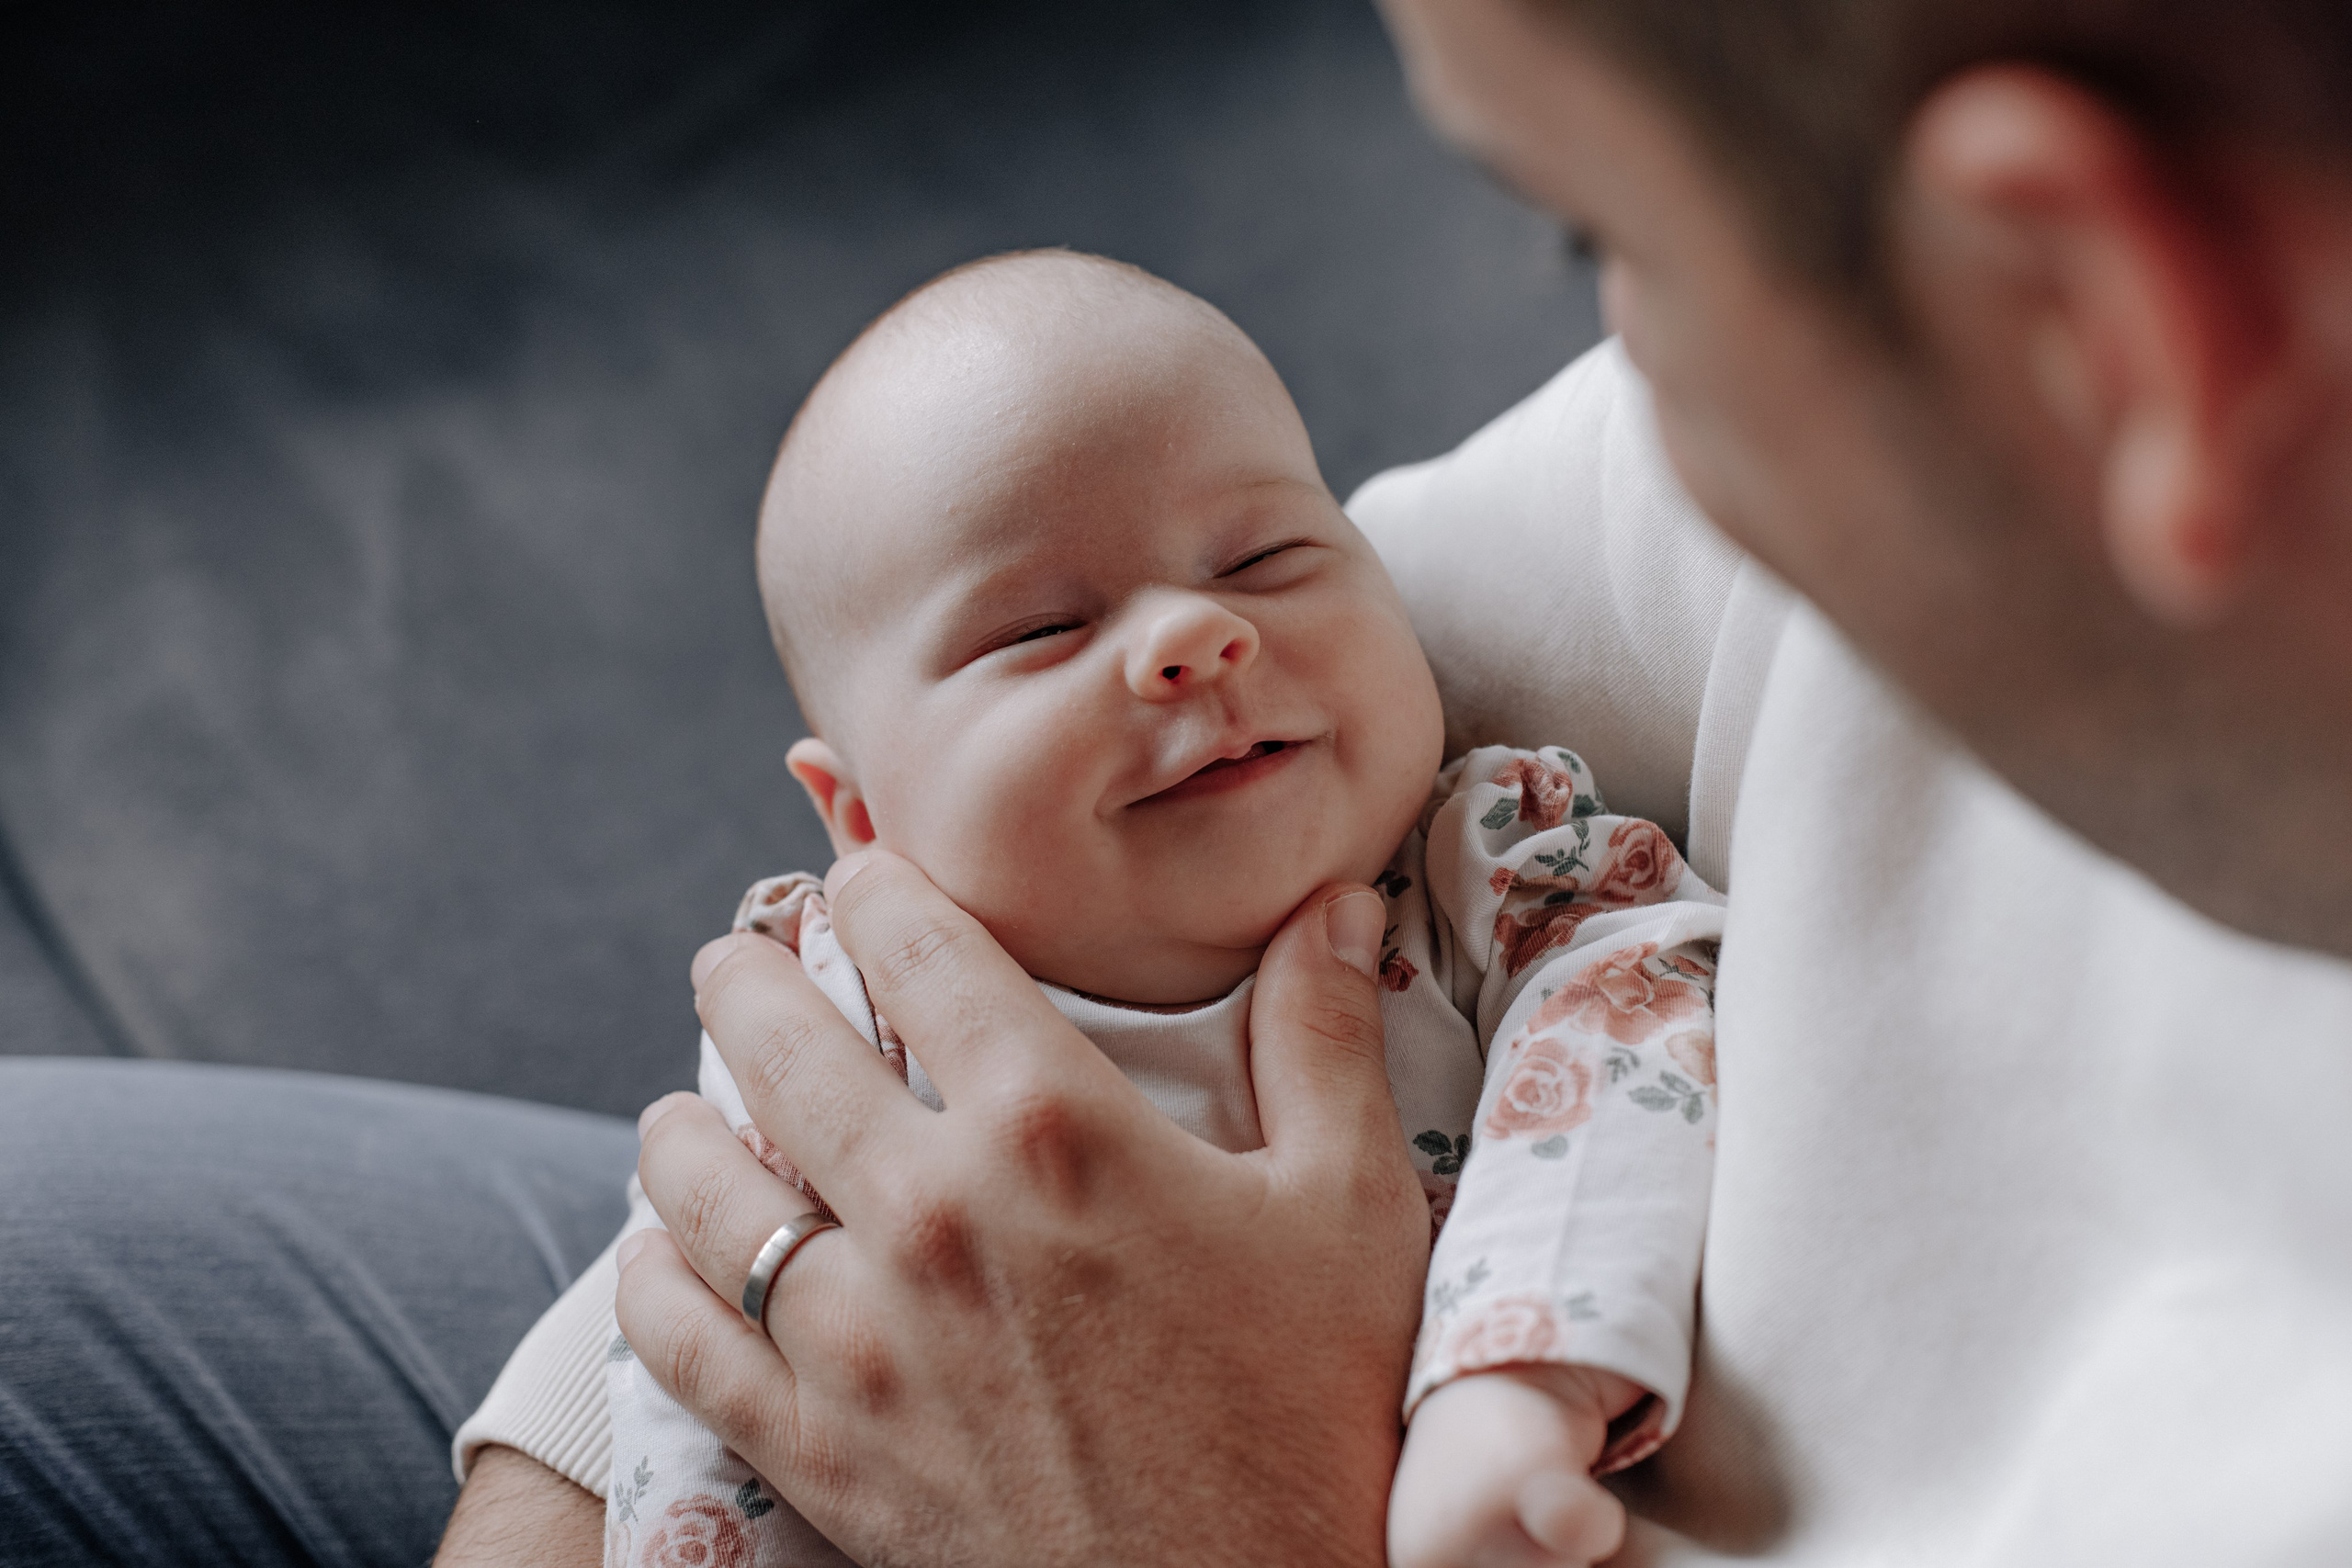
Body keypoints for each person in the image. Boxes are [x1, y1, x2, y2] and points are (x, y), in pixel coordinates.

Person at [7, 0, 2350, 1564]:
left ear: (2087, 317)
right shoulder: (1859, 464)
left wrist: (1222, 1508)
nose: (1204, 641)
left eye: (1595, 234)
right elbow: (1264, 581)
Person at [459, 249, 1727, 1568]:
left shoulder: (1498, 879)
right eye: (1038, 629)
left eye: (1267, 555)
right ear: (863, 823)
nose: (1198, 629)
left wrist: (1513, 1382)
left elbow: (1633, 1037)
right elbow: (711, 1374)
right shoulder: (843, 1010)